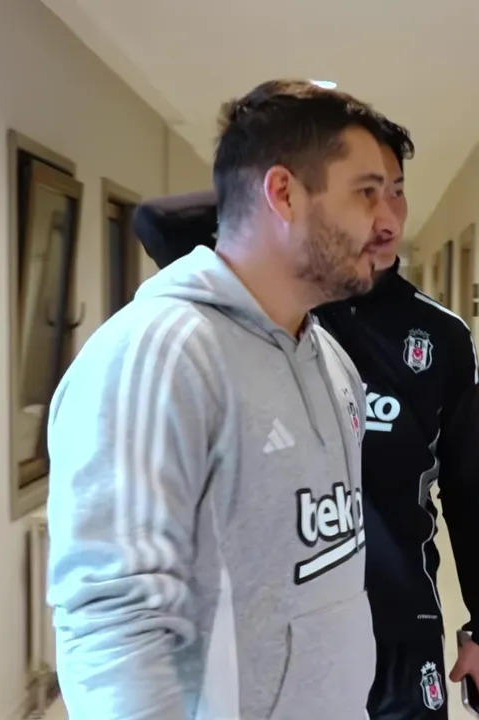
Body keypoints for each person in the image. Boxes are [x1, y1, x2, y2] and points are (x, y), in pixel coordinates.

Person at [45, 78, 402, 720]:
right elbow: (114, 627)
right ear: (284, 193)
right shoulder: (158, 356)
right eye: (365, 193)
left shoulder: (333, 363)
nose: (387, 222)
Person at [132, 121, 479, 720]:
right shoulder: (283, 313)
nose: (385, 215)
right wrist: (295, 194)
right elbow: (157, 220)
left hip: (402, 623)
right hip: (289, 634)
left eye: (397, 191)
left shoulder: (440, 337)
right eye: (365, 192)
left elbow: (467, 487)